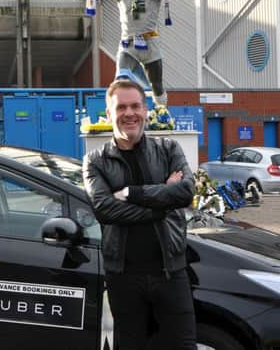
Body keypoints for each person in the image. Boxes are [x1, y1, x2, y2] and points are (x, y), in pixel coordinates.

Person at [83, 79, 196, 350]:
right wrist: (163, 203)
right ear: (109, 114)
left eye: (135, 106)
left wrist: (131, 194)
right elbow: (105, 209)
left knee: (183, 346)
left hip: (170, 271)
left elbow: (185, 192)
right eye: (121, 107)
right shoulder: (96, 161)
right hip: (123, 277)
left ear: (145, 111)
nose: (129, 113)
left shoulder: (168, 149)